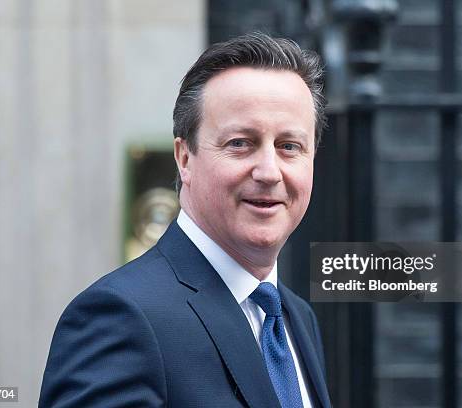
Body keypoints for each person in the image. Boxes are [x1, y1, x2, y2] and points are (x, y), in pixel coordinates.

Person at [39, 32, 332, 408]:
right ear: (185, 158)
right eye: (240, 143)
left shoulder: (295, 318)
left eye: (289, 146)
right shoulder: (122, 317)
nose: (269, 171)